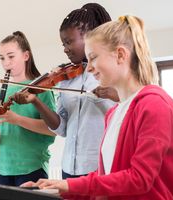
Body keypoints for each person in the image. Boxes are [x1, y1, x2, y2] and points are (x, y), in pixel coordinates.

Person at [23, 15, 173, 199]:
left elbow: (139, 179)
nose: (88, 68)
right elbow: (105, 181)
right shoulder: (113, 113)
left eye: (93, 57)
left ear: (120, 54)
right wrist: (54, 189)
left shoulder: (154, 104)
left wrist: (67, 185)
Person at [14, 3, 117, 179]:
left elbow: (130, 106)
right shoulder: (66, 78)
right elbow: (61, 128)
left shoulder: (111, 70)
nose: (65, 48)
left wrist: (111, 94)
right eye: (63, 43)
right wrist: (36, 101)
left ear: (90, 37)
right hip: (69, 168)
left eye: (69, 41)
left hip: (100, 167)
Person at [0, 31, 57, 187]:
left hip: (32, 167)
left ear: (26, 56)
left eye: (11, 56)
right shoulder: (0, 93)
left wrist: (17, 119)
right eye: (2, 58)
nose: (6, 63)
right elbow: (2, 136)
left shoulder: (41, 88)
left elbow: (52, 129)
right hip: (4, 168)